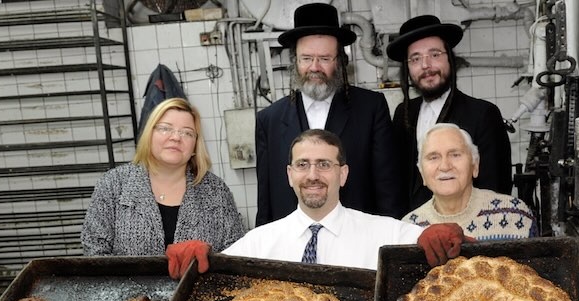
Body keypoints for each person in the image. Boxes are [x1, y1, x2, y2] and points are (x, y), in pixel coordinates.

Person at [166, 129, 468, 278]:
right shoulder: (259, 243)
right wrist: (198, 259)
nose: (312, 175)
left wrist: (445, 237)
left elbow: (445, 248)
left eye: (324, 164)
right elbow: (214, 271)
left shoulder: (385, 234)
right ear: (290, 175)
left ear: (343, 174)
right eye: (303, 165)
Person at [255, 2, 405, 227]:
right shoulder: (269, 120)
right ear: (295, 61)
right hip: (291, 244)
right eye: (306, 58)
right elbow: (266, 204)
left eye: (324, 58)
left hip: (357, 238)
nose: (315, 67)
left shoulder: (370, 108)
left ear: (340, 61)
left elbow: (388, 191)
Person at [81, 97, 245, 256]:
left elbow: (236, 254)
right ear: (149, 135)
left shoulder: (216, 191)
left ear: (195, 145)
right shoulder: (113, 184)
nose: (176, 137)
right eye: (165, 128)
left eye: (187, 133)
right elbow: (94, 251)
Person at [387, 15, 513, 212]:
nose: (425, 65)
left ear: (450, 60)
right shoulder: (403, 113)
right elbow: (398, 181)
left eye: (435, 54)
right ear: (408, 67)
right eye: (416, 58)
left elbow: (495, 188)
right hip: (412, 227)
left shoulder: (483, 114)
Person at [403, 123, 537, 240]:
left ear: (475, 165)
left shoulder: (515, 215)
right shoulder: (408, 228)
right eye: (433, 157)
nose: (444, 166)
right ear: (422, 172)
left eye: (455, 155)